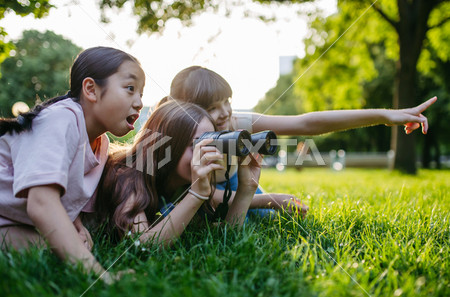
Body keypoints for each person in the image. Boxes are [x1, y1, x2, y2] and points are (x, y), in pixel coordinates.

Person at [166, 66, 437, 218]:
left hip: (236, 187)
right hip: (199, 196)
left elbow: (307, 123)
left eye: (227, 101)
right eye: (213, 108)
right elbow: (196, 195)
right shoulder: (177, 142)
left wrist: (384, 116)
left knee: (266, 221)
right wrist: (269, 199)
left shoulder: (235, 122)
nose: (225, 112)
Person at [0, 46, 146, 283]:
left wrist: (75, 225)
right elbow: (41, 202)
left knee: (55, 249)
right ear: (91, 89)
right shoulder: (61, 118)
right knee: (57, 252)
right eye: (130, 89)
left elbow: (62, 194)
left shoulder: (101, 144)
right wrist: (100, 275)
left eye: (141, 93)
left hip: (11, 221)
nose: (139, 102)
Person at [95, 100, 262, 247]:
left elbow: (226, 237)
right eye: (196, 145)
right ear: (164, 147)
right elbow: (140, 246)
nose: (204, 153)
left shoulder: (185, 185)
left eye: (212, 143)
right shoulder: (127, 175)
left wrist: (246, 190)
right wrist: (196, 195)